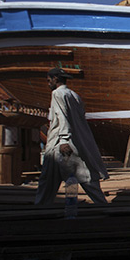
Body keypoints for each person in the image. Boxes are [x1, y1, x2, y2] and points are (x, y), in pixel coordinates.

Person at [35, 67, 108, 205]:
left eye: (48, 80)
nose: (48, 83)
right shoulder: (74, 95)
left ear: (55, 79)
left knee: (49, 181)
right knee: (76, 177)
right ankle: (78, 204)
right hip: (75, 142)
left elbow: (63, 117)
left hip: (60, 145)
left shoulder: (57, 94)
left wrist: (64, 140)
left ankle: (41, 208)